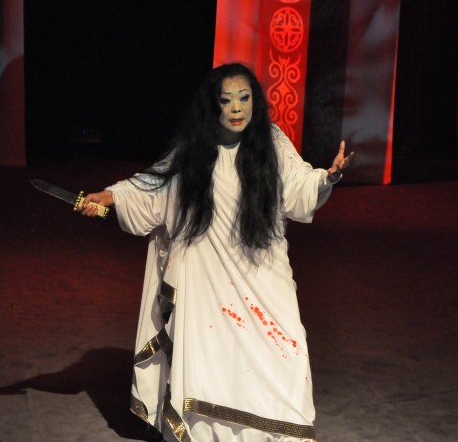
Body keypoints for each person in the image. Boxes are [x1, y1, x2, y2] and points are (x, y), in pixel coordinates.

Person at [80, 62, 353, 441]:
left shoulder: (272, 142)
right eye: (227, 100)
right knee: (212, 365)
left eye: (244, 98)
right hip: (208, 284)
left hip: (262, 277)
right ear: (213, 104)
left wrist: (328, 177)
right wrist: (109, 197)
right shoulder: (195, 148)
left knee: (286, 353)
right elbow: (153, 187)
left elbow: (299, 186)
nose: (237, 108)